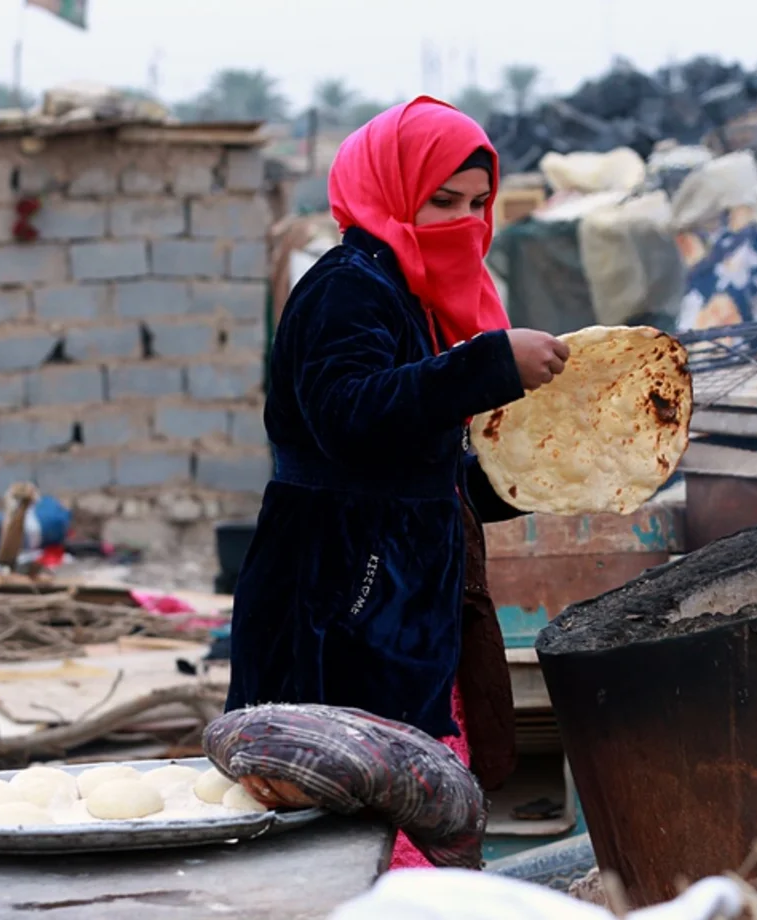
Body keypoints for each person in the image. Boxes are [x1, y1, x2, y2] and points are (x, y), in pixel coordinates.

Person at [226, 97, 570, 867]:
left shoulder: (414, 292)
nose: (462, 220)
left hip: (405, 593)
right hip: (338, 592)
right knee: (343, 810)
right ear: (388, 189)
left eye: (478, 205)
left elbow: (411, 462)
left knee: (416, 791)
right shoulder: (349, 286)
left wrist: (517, 484)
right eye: (441, 201)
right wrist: (488, 366)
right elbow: (348, 417)